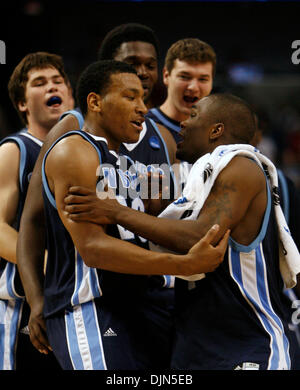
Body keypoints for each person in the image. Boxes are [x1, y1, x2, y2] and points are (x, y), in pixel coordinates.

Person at [64, 93, 300, 370]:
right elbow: (177, 243)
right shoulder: (199, 182)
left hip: (248, 345)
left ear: (216, 130)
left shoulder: (241, 167)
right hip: (195, 348)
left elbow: (197, 237)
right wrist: (153, 211)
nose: (183, 125)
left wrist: (115, 211)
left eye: (194, 116)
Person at [18, 60, 228, 370]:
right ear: (95, 102)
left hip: (139, 310)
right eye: (130, 97)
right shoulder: (75, 150)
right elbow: (93, 248)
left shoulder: (127, 165)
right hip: (90, 309)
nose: (142, 107)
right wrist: (184, 264)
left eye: (143, 98)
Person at [16, 23, 177, 367]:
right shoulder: (73, 128)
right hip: (89, 297)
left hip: (146, 301)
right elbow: (32, 220)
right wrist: (36, 298)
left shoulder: (162, 137)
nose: (143, 72)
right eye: (132, 64)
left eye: (150, 64)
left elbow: (162, 216)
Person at [0, 51, 72, 370]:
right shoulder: (14, 149)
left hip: (70, 299)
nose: (50, 87)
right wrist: (45, 262)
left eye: (57, 81)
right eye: (39, 83)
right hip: (21, 305)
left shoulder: (88, 150)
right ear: (22, 104)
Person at [146, 38, 216, 192]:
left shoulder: (220, 135)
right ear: (166, 75)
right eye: (185, 77)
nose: (193, 87)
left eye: (203, 79)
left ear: (212, 82)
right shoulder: (141, 126)